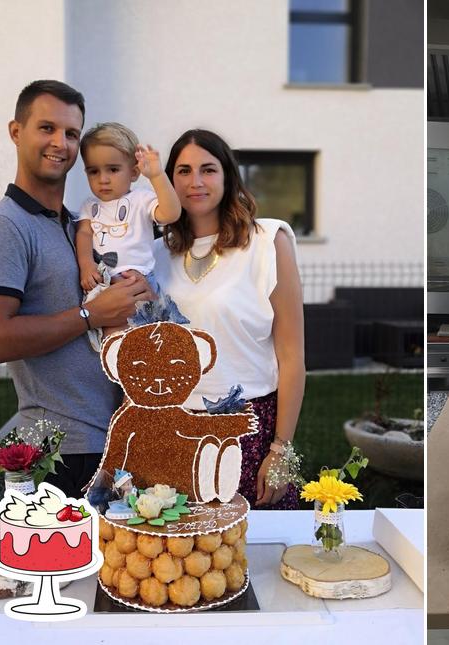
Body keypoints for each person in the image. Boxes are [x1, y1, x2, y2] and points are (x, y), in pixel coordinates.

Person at [0, 81, 155, 498]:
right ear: (16, 132)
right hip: (59, 453)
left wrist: (140, 293)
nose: (60, 143)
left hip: (115, 447)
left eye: (71, 133)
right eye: (46, 128)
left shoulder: (80, 225)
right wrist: (92, 314)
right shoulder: (3, 228)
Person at [152, 129, 305, 509]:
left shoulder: (268, 242)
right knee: (182, 558)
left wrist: (281, 449)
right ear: (170, 180)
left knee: (251, 555)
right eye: (183, 171)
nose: (196, 182)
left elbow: (293, 358)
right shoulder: (153, 254)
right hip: (173, 429)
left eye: (208, 169)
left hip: (249, 431)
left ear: (227, 177)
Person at [75, 122, 181, 345]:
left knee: (148, 338)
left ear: (133, 172)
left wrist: (157, 176)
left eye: (113, 170)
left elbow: (171, 213)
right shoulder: (89, 206)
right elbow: (84, 234)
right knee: (115, 342)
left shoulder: (141, 199)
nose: (103, 179)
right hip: (104, 283)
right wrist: (86, 265)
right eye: (93, 171)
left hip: (138, 279)